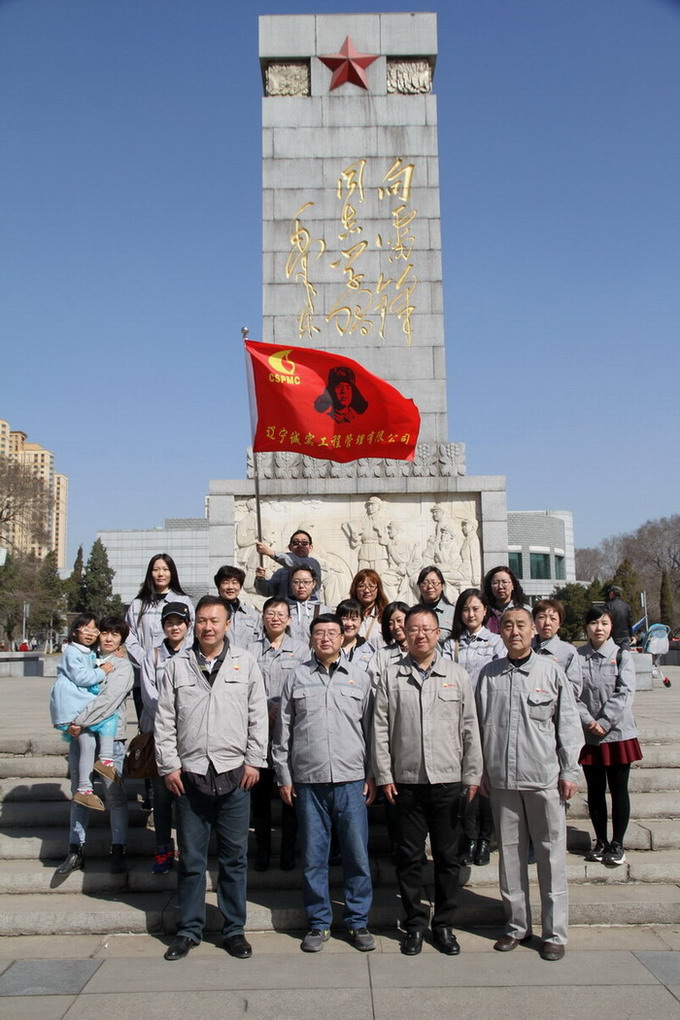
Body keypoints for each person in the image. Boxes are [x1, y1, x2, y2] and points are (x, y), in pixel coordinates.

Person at [155, 595, 268, 962]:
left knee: (234, 858)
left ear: (227, 624)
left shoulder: (244, 663)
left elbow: (257, 716)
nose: (207, 627)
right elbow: (164, 719)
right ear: (194, 625)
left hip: (234, 774)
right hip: (191, 776)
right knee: (191, 859)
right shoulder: (177, 666)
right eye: (202, 620)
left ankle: (234, 929)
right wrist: (169, 766)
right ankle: (189, 929)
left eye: (214, 620)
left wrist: (254, 762)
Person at [372, 606, 483, 957]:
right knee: (409, 858)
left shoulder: (457, 674)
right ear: (404, 634)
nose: (420, 634)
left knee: (448, 858)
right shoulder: (391, 676)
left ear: (438, 633)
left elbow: (470, 728)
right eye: (414, 629)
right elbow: (380, 730)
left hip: (448, 780)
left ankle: (444, 923)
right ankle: (415, 924)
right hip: (406, 783)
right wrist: (384, 774)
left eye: (427, 628)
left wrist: (473, 774)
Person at [476, 607, 582, 961]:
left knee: (551, 856)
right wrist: (481, 771)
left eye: (521, 625)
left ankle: (554, 933)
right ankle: (516, 926)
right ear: (501, 632)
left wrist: (569, 771)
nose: (514, 631)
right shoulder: (489, 675)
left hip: (543, 779)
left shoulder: (550, 672)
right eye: (507, 626)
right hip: (502, 781)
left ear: (534, 629)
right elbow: (477, 726)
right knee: (509, 856)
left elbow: (568, 725)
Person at [272, 614, 376, 953]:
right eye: (320, 633)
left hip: (351, 780)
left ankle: (358, 921)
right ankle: (318, 922)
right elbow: (283, 731)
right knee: (314, 856)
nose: (326, 638)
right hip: (309, 781)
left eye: (333, 632)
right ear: (311, 638)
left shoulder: (359, 677)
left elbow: (371, 730)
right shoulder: (296, 677)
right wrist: (284, 776)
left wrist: (372, 774)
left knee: (356, 854)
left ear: (343, 637)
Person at [54, 617, 134, 876]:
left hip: (111, 740)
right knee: (80, 793)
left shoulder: (122, 666)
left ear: (122, 640)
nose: (109, 638)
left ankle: (118, 849)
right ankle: (75, 850)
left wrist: (77, 721)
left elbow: (108, 702)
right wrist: (68, 721)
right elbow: (66, 689)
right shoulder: (85, 659)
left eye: (115, 634)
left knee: (114, 796)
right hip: (81, 737)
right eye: (105, 632)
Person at [577, 605, 642, 867]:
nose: (599, 628)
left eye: (604, 623)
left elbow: (625, 692)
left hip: (617, 734)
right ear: (586, 627)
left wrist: (604, 722)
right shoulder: (577, 657)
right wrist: (588, 721)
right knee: (595, 791)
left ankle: (617, 843)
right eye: (594, 623)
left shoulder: (621, 655)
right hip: (590, 735)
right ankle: (601, 840)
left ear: (611, 626)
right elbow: (571, 692)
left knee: (618, 790)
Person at [443, 588, 504, 867]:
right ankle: (468, 836)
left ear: (485, 611)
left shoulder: (496, 642)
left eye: (476, 608)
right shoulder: (450, 644)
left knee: (485, 782)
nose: (471, 614)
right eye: (466, 609)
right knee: (467, 781)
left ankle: (484, 838)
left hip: (487, 718)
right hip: (458, 720)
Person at [248, 598, 308, 872]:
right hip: (258, 733)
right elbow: (245, 687)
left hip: (290, 733)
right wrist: (264, 708)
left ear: (289, 619)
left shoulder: (301, 650)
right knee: (260, 796)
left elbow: (303, 685)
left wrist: (280, 708)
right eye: (270, 613)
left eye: (280, 614)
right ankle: (262, 849)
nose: (275, 618)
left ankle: (288, 850)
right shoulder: (249, 651)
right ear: (263, 617)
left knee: (289, 795)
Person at [140, 602, 192, 874]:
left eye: (179, 622)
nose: (174, 627)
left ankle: (186, 848)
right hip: (160, 735)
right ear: (163, 626)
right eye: (169, 623)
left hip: (189, 734)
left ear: (188, 625)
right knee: (161, 796)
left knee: (186, 797)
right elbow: (149, 695)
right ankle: (163, 848)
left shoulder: (194, 654)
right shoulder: (153, 655)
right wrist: (168, 718)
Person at [49, 615, 119, 810]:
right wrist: (103, 670)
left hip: (75, 702)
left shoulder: (86, 652)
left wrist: (113, 656)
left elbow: (92, 663)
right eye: (85, 629)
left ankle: (84, 789)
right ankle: (106, 760)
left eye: (94, 630)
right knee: (109, 716)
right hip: (72, 703)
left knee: (88, 744)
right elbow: (82, 677)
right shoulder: (72, 652)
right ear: (74, 632)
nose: (90, 634)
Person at [125, 553, 195, 719]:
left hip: (178, 676)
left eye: (165, 569)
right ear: (150, 573)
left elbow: (191, 634)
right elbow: (129, 636)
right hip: (144, 679)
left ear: (172, 573)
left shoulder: (184, 601)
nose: (160, 573)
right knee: (149, 726)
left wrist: (176, 661)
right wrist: (147, 661)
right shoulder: (138, 604)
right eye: (156, 569)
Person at [532, 599, 582, 699]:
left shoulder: (568, 652)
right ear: (534, 621)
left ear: (559, 623)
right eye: (542, 617)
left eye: (553, 618)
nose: (547, 623)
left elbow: (575, 689)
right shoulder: (525, 648)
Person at [255, 530, 322, 599]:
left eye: (304, 543)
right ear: (290, 547)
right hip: (286, 605)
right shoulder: (281, 572)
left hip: (309, 605)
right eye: (296, 543)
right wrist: (260, 579)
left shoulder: (313, 564)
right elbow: (267, 591)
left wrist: (270, 552)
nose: (300, 545)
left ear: (310, 547)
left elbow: (295, 563)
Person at [213, 565, 260, 647]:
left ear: (240, 586)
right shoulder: (211, 612)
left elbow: (259, 641)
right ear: (218, 586)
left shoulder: (253, 615)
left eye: (234, 583)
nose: (230, 587)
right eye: (226, 582)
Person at [285, 566, 332, 645]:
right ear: (291, 584)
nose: (301, 586)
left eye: (306, 582)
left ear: (314, 584)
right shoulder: (283, 609)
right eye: (296, 582)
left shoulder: (324, 611)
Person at [482, 565, 529, 635]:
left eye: (504, 582)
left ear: (513, 585)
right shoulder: (484, 612)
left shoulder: (525, 610)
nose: (500, 587)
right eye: (495, 583)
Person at [349, 568, 388, 648]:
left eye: (371, 586)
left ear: (378, 589)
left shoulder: (386, 615)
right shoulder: (347, 615)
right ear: (355, 589)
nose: (366, 590)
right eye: (361, 586)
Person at [416, 565, 454, 643]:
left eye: (434, 583)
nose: (430, 586)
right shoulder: (413, 613)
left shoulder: (453, 612)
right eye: (425, 583)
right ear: (419, 587)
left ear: (442, 586)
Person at [336, 597, 375, 671]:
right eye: (344, 618)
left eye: (354, 619)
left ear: (361, 621)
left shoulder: (370, 651)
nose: (349, 624)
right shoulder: (328, 646)